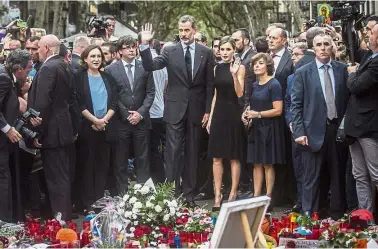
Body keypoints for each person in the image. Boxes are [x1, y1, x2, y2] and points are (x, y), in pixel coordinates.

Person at [139, 16, 214, 207]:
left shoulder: (206, 52)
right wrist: (145, 45)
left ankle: (189, 196)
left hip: (196, 110)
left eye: (187, 30)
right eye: (181, 30)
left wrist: (207, 111)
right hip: (174, 109)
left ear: (194, 30)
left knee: (192, 153)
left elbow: (209, 85)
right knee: (172, 153)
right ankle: (171, 196)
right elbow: (150, 66)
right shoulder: (169, 50)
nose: (183, 34)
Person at [291, 34, 349, 220]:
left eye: (326, 44)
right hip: (311, 132)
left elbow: (348, 101)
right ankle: (308, 216)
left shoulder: (343, 70)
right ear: (313, 48)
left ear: (332, 46)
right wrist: (299, 132)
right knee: (311, 178)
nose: (323, 48)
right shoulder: (303, 72)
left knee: (338, 174)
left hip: (337, 129)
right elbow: (296, 104)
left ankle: (337, 216)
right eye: (319, 45)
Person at [27, 35, 77, 220]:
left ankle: (61, 221)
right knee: (62, 176)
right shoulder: (65, 65)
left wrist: (37, 130)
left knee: (56, 179)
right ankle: (63, 217)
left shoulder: (48, 67)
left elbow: (42, 103)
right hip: (63, 129)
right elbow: (71, 99)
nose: (37, 51)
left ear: (46, 48)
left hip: (51, 131)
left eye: (38, 47)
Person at [106, 35, 155, 194]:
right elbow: (113, 95)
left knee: (143, 159)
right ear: (120, 51)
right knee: (120, 160)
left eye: (133, 47)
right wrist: (126, 114)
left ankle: (144, 194)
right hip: (121, 121)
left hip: (141, 120)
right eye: (127, 47)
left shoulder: (145, 67)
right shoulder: (111, 69)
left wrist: (140, 113)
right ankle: (122, 194)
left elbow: (150, 93)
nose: (131, 50)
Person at [75, 45, 117, 210]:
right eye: (92, 56)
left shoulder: (108, 77)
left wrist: (104, 120)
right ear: (85, 58)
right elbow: (79, 103)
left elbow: (114, 101)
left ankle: (99, 200)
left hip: (106, 128)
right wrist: (95, 120)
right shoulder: (78, 77)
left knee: (102, 166)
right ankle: (87, 203)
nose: (96, 59)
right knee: (87, 166)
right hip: (87, 128)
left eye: (98, 56)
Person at [207, 36, 245, 206]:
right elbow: (215, 95)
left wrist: (235, 75)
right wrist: (210, 117)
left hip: (233, 113)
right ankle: (217, 195)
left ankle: (233, 192)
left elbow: (239, 93)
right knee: (216, 157)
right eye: (222, 49)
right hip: (219, 113)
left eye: (228, 49)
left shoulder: (241, 67)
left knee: (233, 156)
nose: (224, 52)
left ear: (234, 50)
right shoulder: (216, 68)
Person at [242, 53, 285, 202]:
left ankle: (268, 197)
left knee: (267, 163)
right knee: (256, 163)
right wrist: (246, 114)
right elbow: (252, 105)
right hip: (255, 128)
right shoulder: (254, 85)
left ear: (268, 66)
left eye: (260, 63)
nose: (256, 66)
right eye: (255, 64)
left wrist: (258, 114)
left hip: (269, 128)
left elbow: (278, 110)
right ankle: (256, 196)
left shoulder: (274, 84)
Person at [345, 23, 378, 213]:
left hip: (369, 126)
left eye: (371, 32)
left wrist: (353, 73)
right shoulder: (369, 56)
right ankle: (365, 217)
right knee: (359, 174)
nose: (368, 34)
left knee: (375, 174)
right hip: (355, 125)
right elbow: (353, 49)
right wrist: (348, 26)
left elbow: (356, 86)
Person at [0, 49, 32, 221]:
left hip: (7, 143)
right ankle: (4, 223)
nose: (29, 72)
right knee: (3, 181)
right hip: (2, 142)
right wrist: (7, 129)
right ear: (18, 68)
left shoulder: (11, 79)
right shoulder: (4, 78)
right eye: (28, 68)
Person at [284, 42, 306, 213]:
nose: (294, 59)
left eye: (298, 55)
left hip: (311, 129)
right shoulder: (290, 78)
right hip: (295, 130)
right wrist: (290, 121)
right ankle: (300, 201)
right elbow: (288, 103)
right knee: (298, 167)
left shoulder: (309, 75)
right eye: (293, 56)